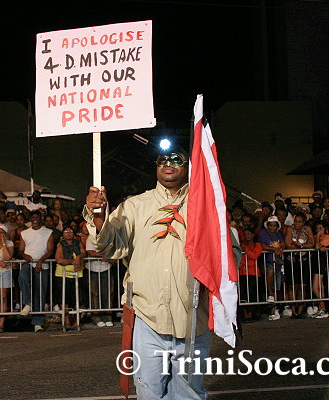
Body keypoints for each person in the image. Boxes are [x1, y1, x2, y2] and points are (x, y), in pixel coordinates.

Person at [84, 148, 212, 399]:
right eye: (162, 159)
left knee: (189, 393)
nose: (168, 163)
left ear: (188, 166)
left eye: (176, 159)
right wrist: (98, 217)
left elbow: (229, 251)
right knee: (148, 391)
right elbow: (109, 245)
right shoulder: (135, 205)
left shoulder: (206, 205)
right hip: (147, 316)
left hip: (193, 315)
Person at [18, 211, 54, 332]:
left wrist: (41, 261)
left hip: (42, 265)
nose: (35, 219)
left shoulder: (48, 232)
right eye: (33, 217)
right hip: (28, 263)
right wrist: (25, 255)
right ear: (30, 219)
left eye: (37, 217)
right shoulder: (24, 233)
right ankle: (28, 302)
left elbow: (50, 250)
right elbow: (20, 250)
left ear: (41, 218)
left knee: (40, 293)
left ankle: (38, 323)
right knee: (22, 276)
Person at [54, 225, 86, 330]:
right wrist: (73, 261)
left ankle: (77, 321)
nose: (68, 233)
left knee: (78, 298)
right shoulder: (60, 245)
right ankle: (67, 321)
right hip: (63, 274)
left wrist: (79, 257)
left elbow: (83, 252)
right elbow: (59, 259)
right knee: (65, 299)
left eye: (70, 231)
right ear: (63, 234)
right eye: (66, 232)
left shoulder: (78, 243)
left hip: (77, 273)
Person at [284, 213, 314, 318]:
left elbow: (312, 243)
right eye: (296, 221)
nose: (297, 223)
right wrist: (302, 246)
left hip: (304, 260)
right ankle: (293, 310)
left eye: (300, 221)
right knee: (292, 285)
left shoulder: (307, 229)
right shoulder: (290, 229)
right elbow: (288, 244)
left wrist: (300, 245)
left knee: (302, 285)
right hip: (292, 260)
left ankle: (300, 310)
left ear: (304, 222)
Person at [258, 216, 285, 320]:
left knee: (277, 285)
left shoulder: (279, 234)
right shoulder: (263, 233)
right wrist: (274, 249)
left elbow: (283, 244)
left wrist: (280, 248)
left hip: (278, 262)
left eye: (274, 225)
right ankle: (270, 295)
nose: (272, 227)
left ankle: (275, 309)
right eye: (270, 225)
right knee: (270, 272)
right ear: (267, 226)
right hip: (268, 261)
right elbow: (263, 246)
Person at [238, 227, 263, 321]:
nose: (246, 236)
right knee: (243, 294)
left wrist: (246, 250)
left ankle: (251, 314)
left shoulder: (257, 245)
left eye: (248, 234)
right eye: (245, 234)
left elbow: (255, 256)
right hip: (242, 273)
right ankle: (245, 314)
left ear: (253, 235)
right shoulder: (241, 245)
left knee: (252, 294)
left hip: (253, 273)